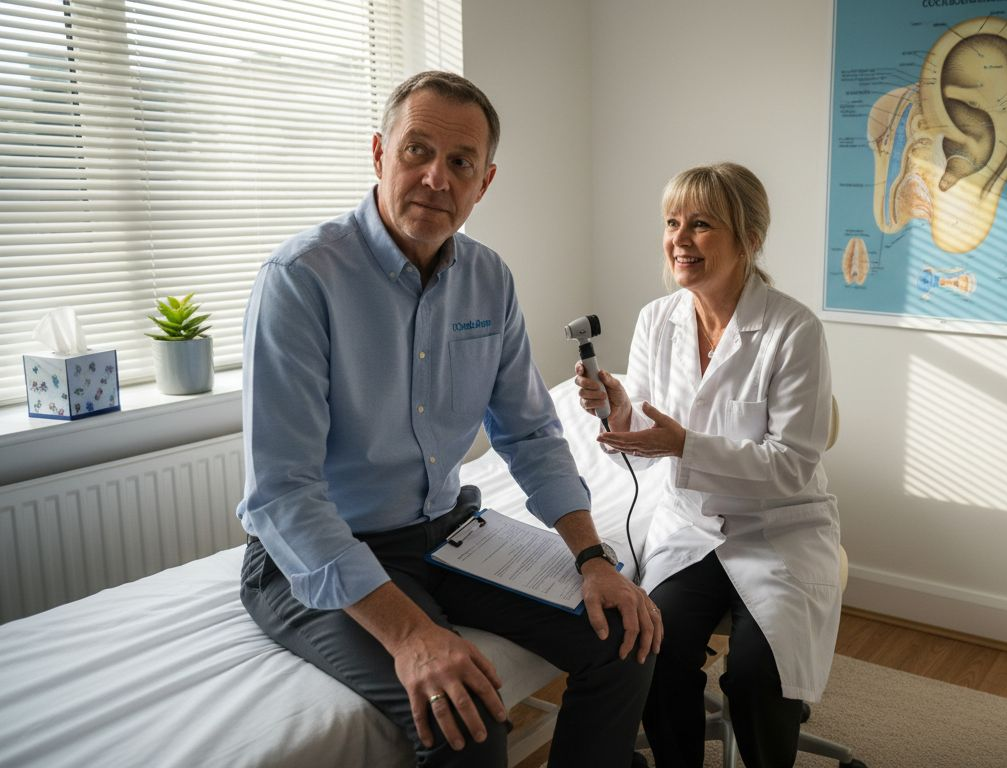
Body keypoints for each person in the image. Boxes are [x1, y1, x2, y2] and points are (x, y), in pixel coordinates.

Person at [236, 70, 660, 768]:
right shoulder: (303, 280)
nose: (436, 178)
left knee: (624, 637)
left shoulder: (488, 280)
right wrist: (411, 636)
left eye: (459, 162)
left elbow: (529, 433)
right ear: (379, 153)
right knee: (463, 723)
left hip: (445, 532)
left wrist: (592, 558)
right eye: (416, 151)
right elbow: (283, 494)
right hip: (311, 556)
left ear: (483, 182)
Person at [575, 162, 842, 768]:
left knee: (755, 675)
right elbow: (643, 427)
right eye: (672, 223)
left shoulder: (793, 329)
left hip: (778, 529)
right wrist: (615, 405)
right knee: (650, 648)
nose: (679, 239)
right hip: (691, 525)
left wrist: (684, 446)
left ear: (749, 237)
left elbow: (794, 464)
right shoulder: (656, 319)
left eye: (700, 224)